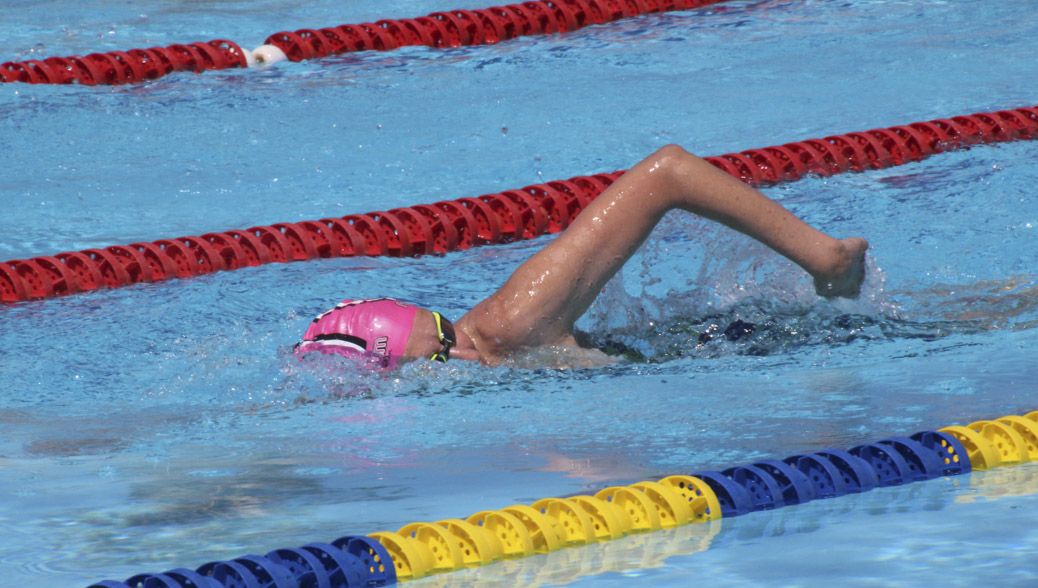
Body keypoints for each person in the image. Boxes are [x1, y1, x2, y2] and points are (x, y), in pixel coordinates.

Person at [295, 144, 869, 368]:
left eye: (447, 335)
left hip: (768, 344)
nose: (464, 349)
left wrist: (822, 259)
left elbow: (667, 172)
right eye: (444, 356)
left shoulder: (509, 323)